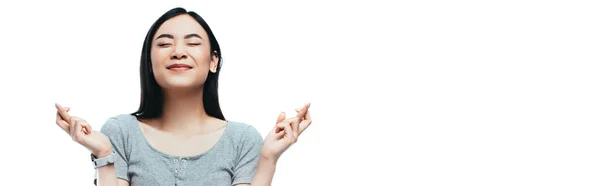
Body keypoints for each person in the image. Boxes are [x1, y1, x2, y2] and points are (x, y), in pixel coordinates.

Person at [53, 7, 312, 186]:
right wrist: (104, 152)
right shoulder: (121, 132)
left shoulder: (242, 140)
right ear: (149, 61)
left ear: (213, 61)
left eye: (193, 43)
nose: (178, 52)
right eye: (164, 44)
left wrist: (269, 158)